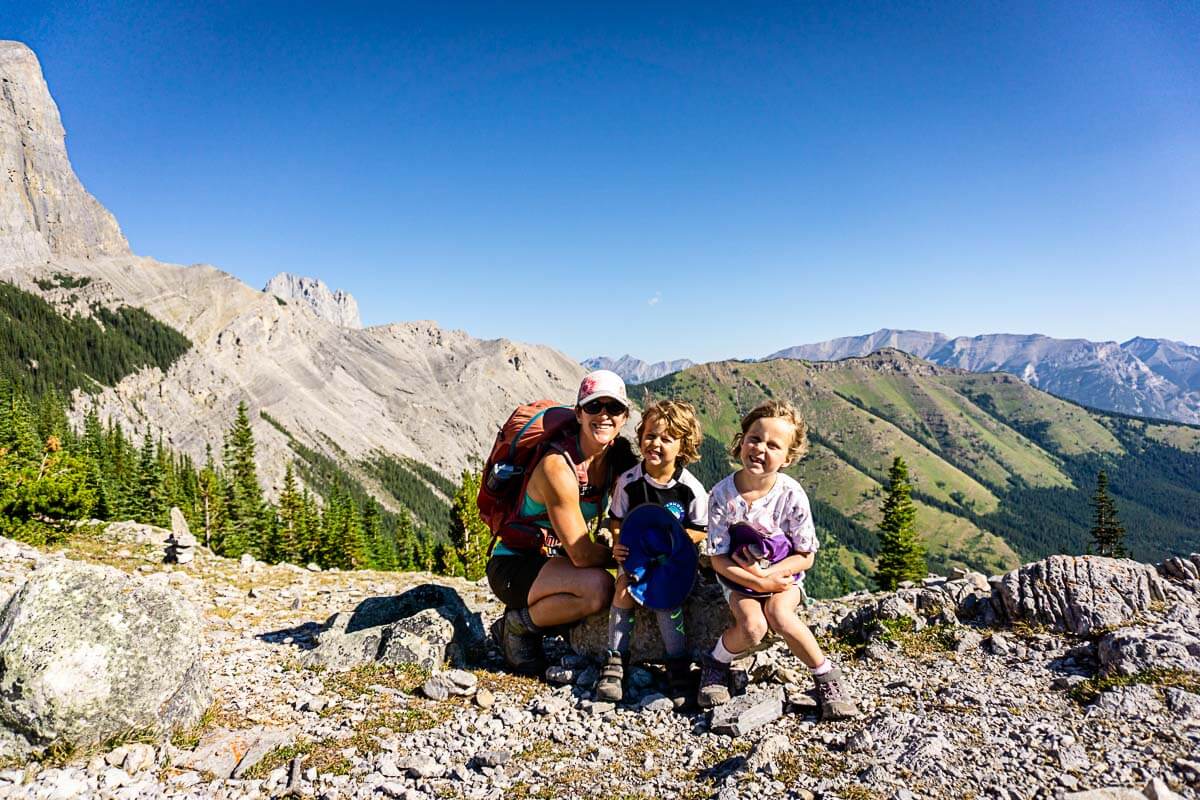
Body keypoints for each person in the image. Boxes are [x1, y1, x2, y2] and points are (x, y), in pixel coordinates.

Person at [698, 400, 859, 720]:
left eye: (774, 445)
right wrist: (758, 580)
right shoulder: (721, 495)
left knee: (779, 614)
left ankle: (826, 677)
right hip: (739, 578)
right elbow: (717, 558)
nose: (760, 449)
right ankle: (716, 663)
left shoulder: (791, 494)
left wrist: (771, 575)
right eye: (755, 439)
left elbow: (806, 556)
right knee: (753, 627)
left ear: (788, 457)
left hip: (784, 576)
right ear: (741, 441)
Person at [486, 369, 636, 675]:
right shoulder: (558, 467)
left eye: (614, 408)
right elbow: (582, 555)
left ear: (624, 417)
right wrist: (624, 555)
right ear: (579, 414)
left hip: (555, 564)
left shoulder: (615, 461)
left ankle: (550, 620)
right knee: (598, 588)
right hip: (515, 565)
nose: (604, 415)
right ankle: (516, 626)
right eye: (594, 406)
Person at [597, 400, 708, 707]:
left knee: (666, 603)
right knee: (623, 592)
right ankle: (615, 659)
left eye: (666, 439)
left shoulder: (690, 489)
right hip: (636, 556)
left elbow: (701, 527)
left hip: (672, 562)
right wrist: (618, 544)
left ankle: (677, 663)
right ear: (640, 435)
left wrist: (680, 540)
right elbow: (617, 519)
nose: (655, 443)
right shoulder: (630, 482)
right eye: (649, 435)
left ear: (683, 446)